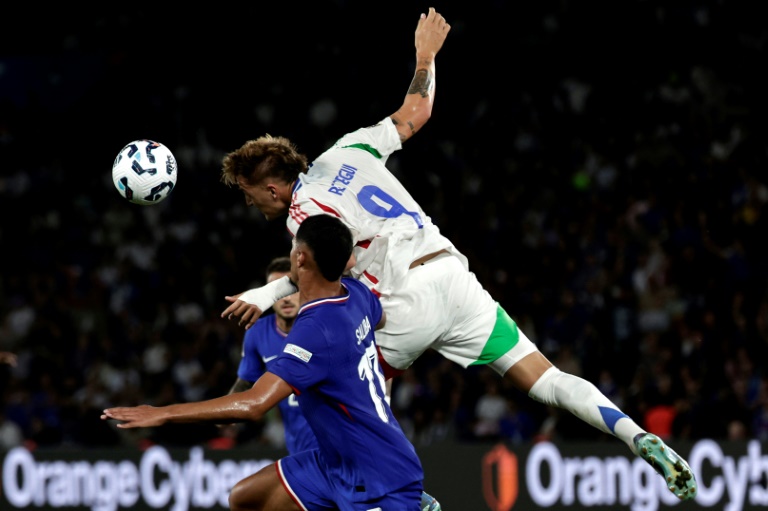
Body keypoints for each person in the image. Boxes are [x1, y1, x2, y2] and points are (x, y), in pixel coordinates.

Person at [219, 6, 697, 501]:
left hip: (404, 303)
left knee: (326, 383)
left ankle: (405, 492)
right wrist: (425, 54)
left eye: (249, 194)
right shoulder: (349, 149)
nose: (250, 203)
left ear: (273, 189)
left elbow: (324, 266)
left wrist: (267, 290)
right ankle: (634, 434)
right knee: (546, 378)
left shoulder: (302, 215)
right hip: (454, 276)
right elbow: (416, 113)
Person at [103, 214, 427, 510]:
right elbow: (380, 318)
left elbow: (254, 405)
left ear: (299, 257)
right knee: (246, 499)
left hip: (379, 479)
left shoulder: (316, 330)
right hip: (333, 463)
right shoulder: (356, 293)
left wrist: (163, 414)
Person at [227, 256, 442, 510]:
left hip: (340, 445)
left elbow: (372, 360)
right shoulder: (257, 335)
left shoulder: (324, 327)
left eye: (288, 292)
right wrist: (228, 409)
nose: (285, 299)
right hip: (302, 449)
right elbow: (246, 382)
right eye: (276, 293)